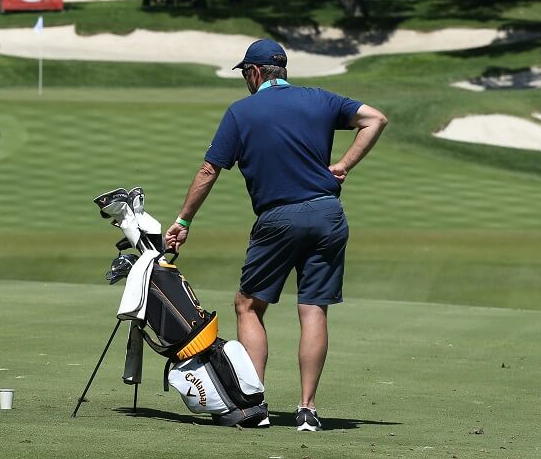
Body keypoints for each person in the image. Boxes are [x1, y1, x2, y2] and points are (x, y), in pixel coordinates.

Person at [165, 39, 387, 431]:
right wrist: (343, 166)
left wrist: (184, 220)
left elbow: (208, 171)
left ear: (253, 73)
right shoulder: (320, 99)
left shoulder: (241, 112)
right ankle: (307, 409)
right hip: (327, 214)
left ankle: (254, 403)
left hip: (279, 218)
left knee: (248, 305)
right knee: (313, 308)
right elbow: (375, 119)